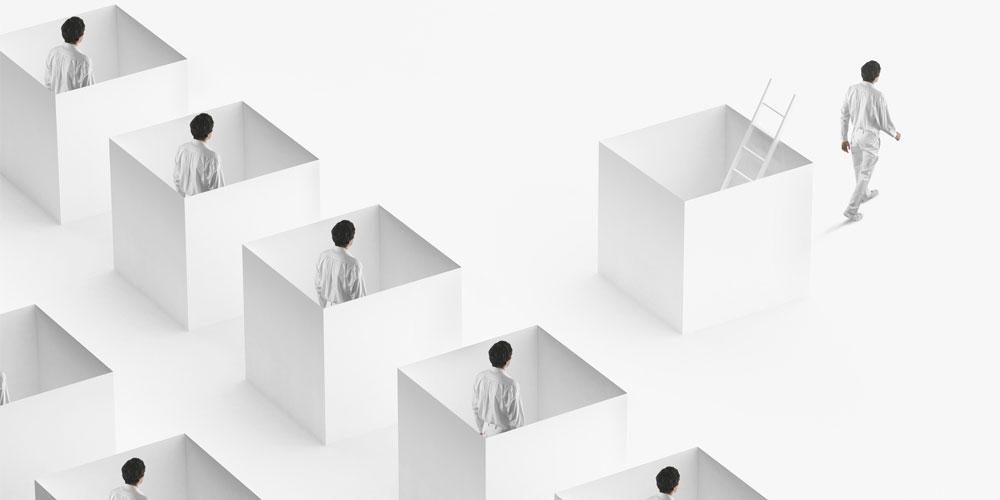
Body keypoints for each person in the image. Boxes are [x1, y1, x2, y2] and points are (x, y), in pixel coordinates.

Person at [840, 60, 902, 222]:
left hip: (855, 136)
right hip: (869, 138)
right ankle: (852, 209)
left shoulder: (851, 90)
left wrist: (843, 138)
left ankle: (865, 193)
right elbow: (883, 122)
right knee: (865, 173)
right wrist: (894, 133)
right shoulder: (878, 96)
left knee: (858, 169)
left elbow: (844, 115)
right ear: (876, 77)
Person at [471, 340, 524, 437]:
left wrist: (480, 429)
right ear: (508, 360)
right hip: (504, 434)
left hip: (485, 431)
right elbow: (517, 420)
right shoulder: (511, 385)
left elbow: (475, 407)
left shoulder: (480, 377)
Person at [314, 220, 367, 306]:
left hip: (327, 309)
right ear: (351, 239)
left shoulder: (323, 256)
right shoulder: (354, 265)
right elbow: (359, 298)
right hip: (346, 313)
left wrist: (323, 307)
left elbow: (318, 286)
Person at [173, 113, 224, 197]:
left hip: (185, 201)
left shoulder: (181, 149)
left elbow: (176, 178)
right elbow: (218, 189)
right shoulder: (212, 157)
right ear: (209, 133)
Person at [44, 16, 95, 93]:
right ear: (80, 36)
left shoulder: (53, 52)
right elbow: (90, 91)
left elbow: (48, 83)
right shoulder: (84, 61)